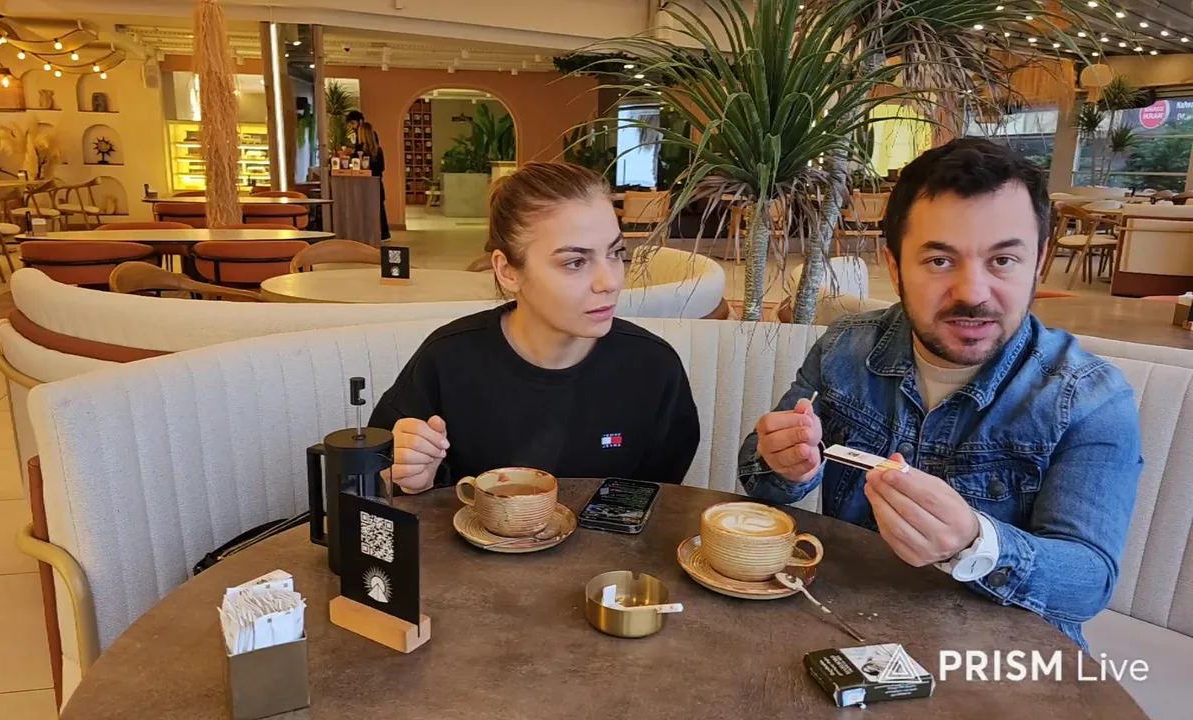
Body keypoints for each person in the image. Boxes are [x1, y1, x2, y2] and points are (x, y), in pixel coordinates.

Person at [738, 138, 1142, 649]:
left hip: (1004, 663)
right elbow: (761, 481)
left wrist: (976, 543)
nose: (972, 293)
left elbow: (1087, 585)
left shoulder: (1089, 399)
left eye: (1003, 260)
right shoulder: (845, 349)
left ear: (1039, 262)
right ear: (895, 266)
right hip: (850, 632)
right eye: (939, 261)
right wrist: (784, 464)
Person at [369, 161, 700, 491]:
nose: (610, 282)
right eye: (575, 262)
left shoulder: (653, 369)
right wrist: (411, 482)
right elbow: (375, 479)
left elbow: (660, 499)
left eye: (615, 253)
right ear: (508, 272)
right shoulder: (448, 361)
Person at [356, 121, 390, 240]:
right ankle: (384, 234)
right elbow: (382, 168)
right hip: (377, 183)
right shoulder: (378, 150)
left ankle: (367, 233)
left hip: (364, 184)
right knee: (379, 209)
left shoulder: (359, 150)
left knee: (365, 209)